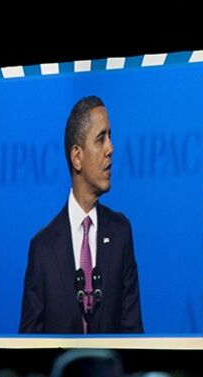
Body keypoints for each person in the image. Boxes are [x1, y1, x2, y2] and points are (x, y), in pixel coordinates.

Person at [20, 96, 143, 334]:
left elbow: (134, 332)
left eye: (110, 136)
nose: (111, 148)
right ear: (77, 157)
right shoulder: (42, 248)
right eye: (101, 139)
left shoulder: (121, 232)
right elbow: (28, 343)